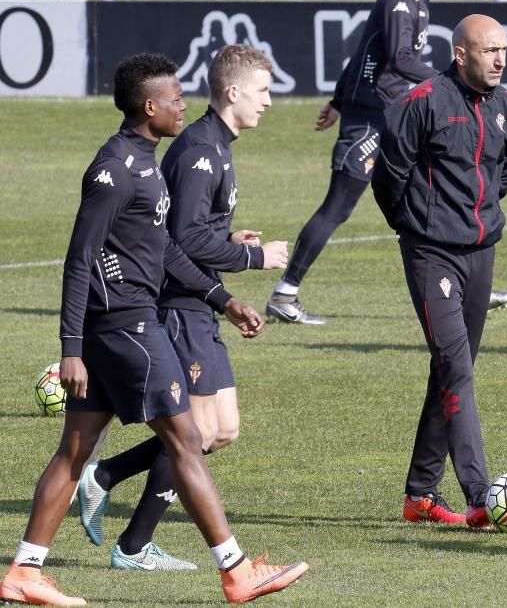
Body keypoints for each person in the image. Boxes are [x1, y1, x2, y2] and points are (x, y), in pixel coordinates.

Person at [0, 53, 307, 606]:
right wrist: (71, 348)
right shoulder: (114, 169)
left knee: (75, 450)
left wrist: (223, 298)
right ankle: (236, 572)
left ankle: (25, 571)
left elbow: (163, 247)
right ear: (149, 107)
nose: (183, 105)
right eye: (174, 99)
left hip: (128, 324)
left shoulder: (146, 162)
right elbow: (78, 260)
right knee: (188, 441)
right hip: (127, 328)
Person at [74, 45, 288, 572]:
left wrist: (226, 245)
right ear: (233, 92)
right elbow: (179, 238)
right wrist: (251, 257)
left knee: (221, 430)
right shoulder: (197, 150)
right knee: (193, 433)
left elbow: (189, 230)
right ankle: (134, 541)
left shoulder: (216, 145)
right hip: (176, 305)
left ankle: (106, 482)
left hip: (200, 300)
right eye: (262, 91)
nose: (269, 102)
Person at [265, 0, 507, 325]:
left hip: (383, 114)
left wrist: (336, 100)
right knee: (338, 206)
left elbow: (366, 51)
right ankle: (285, 293)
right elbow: (400, 59)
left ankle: (468, 285)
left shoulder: (416, 0)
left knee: (448, 186)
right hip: (371, 118)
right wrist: (449, 86)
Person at [372, 14, 507, 527]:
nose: (500, 60)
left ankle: (420, 495)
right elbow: (389, 174)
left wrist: (474, 217)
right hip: (430, 253)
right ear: (461, 54)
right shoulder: (422, 102)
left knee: (451, 371)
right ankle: (483, 495)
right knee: (456, 366)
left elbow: (506, 170)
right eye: (489, 51)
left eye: (504, 50)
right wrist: (416, 225)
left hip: (480, 253)